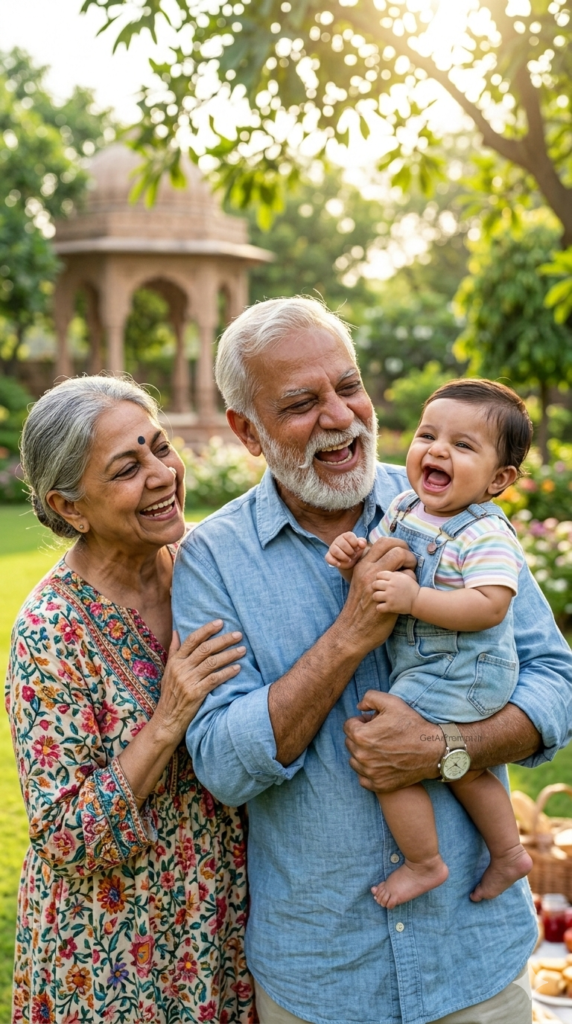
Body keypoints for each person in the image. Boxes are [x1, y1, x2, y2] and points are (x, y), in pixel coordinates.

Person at [173, 296, 572, 1024]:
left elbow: (556, 680)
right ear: (247, 431)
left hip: (475, 964)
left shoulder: (459, 510)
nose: (340, 416)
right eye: (301, 403)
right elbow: (224, 765)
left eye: (348, 386)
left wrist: (447, 749)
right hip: (324, 978)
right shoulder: (213, 560)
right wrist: (350, 634)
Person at [6, 376, 255, 1024]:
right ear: (71, 507)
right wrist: (167, 718)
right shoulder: (50, 631)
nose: (162, 475)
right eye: (126, 468)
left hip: (218, 924)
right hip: (107, 954)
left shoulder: (209, 568)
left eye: (160, 447)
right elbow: (64, 837)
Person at [326, 379, 535, 910]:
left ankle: (424, 863)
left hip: (467, 669)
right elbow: (379, 566)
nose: (437, 451)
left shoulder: (485, 534)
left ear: (498, 479)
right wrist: (354, 559)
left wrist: (415, 599)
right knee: (467, 770)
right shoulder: (404, 507)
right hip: (436, 666)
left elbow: (490, 605)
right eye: (428, 435)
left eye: (463, 445)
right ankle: (509, 852)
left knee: (383, 751)